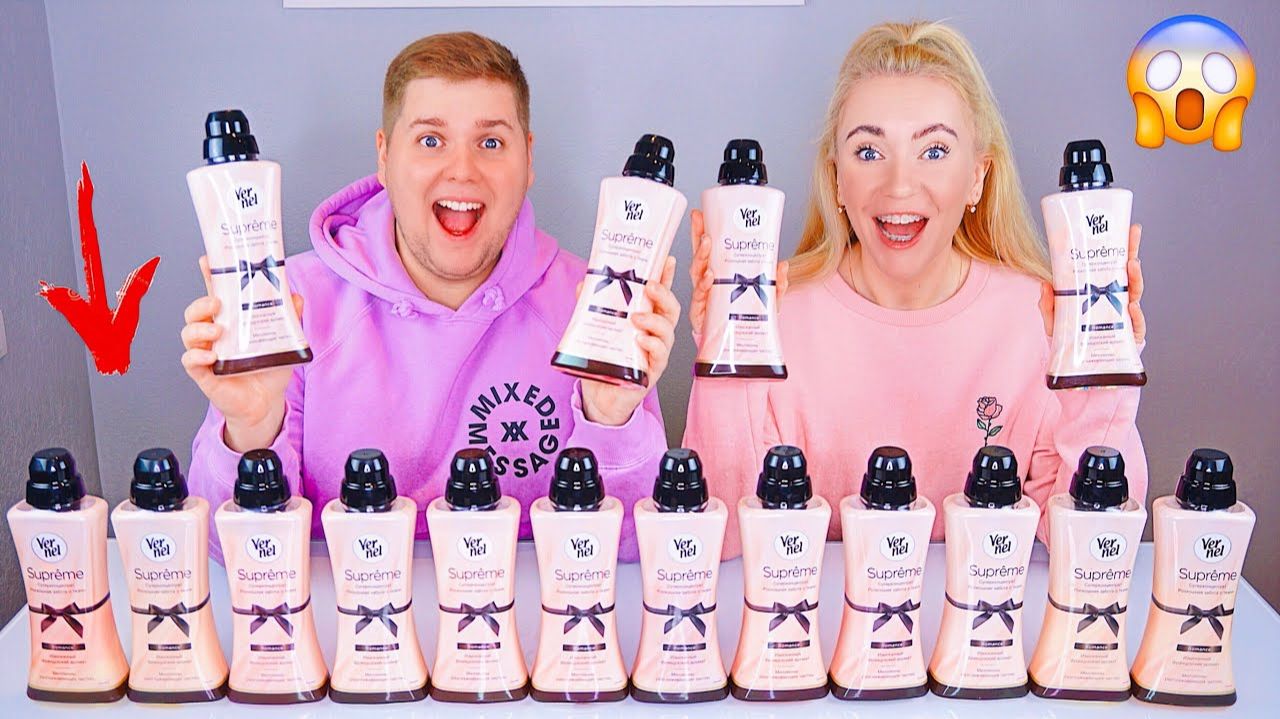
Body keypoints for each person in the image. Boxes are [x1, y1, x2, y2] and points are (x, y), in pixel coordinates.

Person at [180, 32, 679, 562]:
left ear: (528, 159)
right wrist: (252, 429)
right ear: (384, 156)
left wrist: (609, 420)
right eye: (431, 140)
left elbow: (633, 554)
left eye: (491, 143)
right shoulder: (294, 304)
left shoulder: (593, 309)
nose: (462, 169)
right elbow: (232, 555)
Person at [683, 20, 1147, 557]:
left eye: (934, 150)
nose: (899, 186)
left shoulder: (1041, 316)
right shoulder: (773, 315)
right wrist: (726, 360)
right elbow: (722, 542)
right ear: (836, 179)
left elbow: (1094, 549)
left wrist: (1100, 383)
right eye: (869, 152)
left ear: (978, 176)